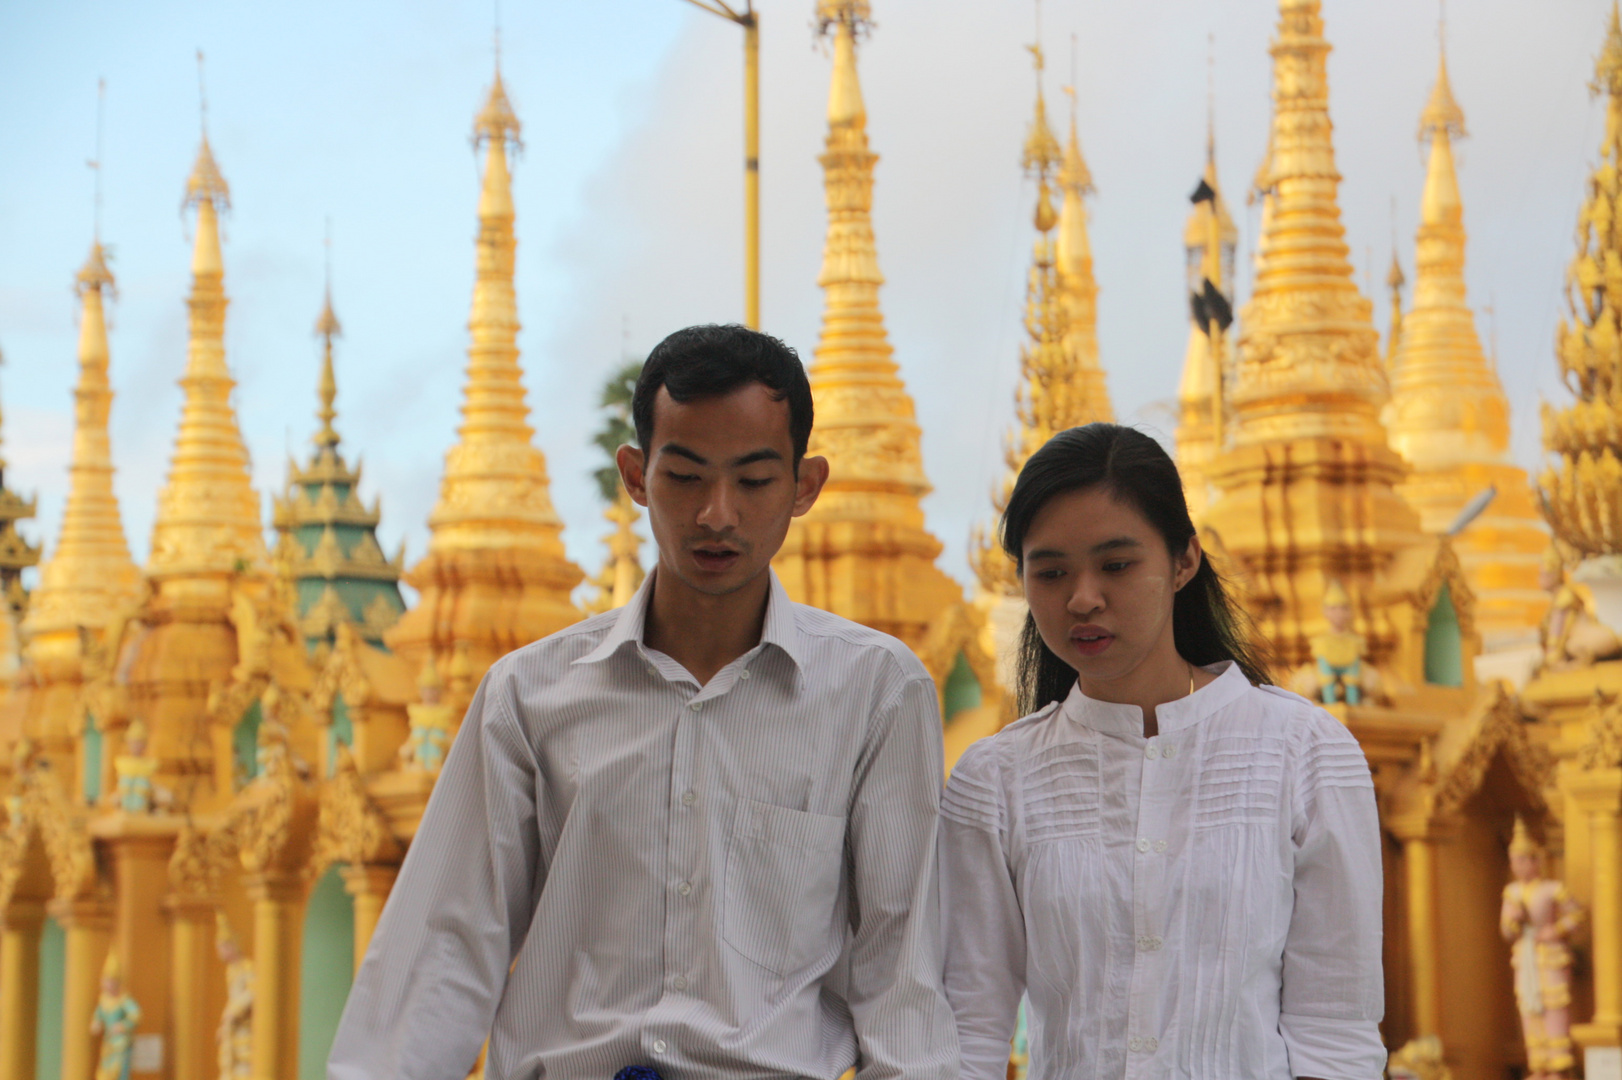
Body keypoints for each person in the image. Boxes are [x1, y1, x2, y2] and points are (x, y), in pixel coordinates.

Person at [330, 324, 958, 1080]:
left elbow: (901, 978)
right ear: (636, 476)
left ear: (805, 486)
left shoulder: (877, 693)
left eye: (754, 480)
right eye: (685, 476)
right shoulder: (529, 695)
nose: (716, 514)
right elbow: (445, 945)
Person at [939, 424, 1385, 1080]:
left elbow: (1335, 1030)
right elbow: (971, 1027)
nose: (1082, 598)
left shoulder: (1307, 754)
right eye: (1051, 571)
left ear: (1183, 561)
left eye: (1116, 565)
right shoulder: (995, 779)